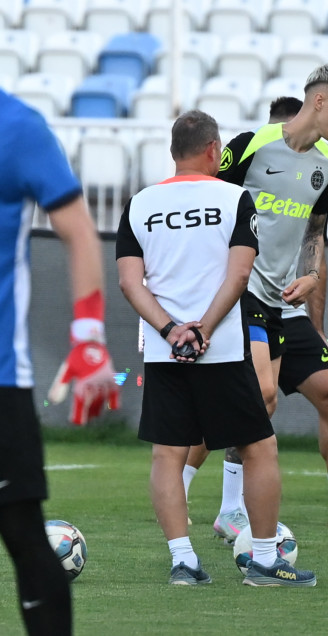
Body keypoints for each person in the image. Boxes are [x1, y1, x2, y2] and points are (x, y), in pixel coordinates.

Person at [115, 109, 316, 587]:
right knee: (259, 448)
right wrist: (203, 328)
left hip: (167, 352)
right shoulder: (234, 197)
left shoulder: (140, 203)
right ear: (212, 150)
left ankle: (183, 561)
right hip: (221, 347)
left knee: (167, 455)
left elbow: (129, 282)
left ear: (172, 152)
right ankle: (265, 561)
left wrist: (170, 331)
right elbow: (240, 275)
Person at [192, 65, 328, 544]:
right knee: (262, 395)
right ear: (319, 102)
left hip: (279, 299)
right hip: (237, 290)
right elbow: (207, 200)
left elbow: (315, 232)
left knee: (287, 397)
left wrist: (311, 276)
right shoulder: (251, 144)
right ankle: (227, 508)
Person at [0, 89, 120, 635]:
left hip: (1, 378)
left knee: (23, 534)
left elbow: (76, 228)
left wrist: (89, 339)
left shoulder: (17, 125)